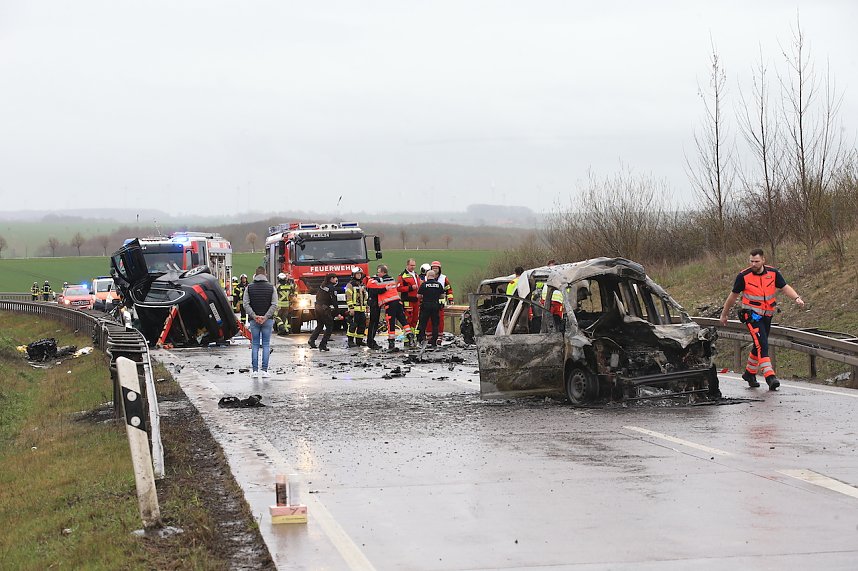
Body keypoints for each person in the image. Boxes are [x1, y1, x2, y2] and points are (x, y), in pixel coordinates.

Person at [719, 248, 805, 390]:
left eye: (757, 261)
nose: (753, 264)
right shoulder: (743, 276)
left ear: (763, 260)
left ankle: (749, 373)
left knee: (758, 344)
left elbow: (784, 287)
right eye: (751, 261)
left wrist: (796, 298)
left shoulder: (773, 273)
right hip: (751, 316)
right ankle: (770, 377)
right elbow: (733, 296)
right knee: (763, 345)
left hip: (767, 315)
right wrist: (724, 314)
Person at [367, 264, 414, 352]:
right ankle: (410, 335)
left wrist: (371, 279)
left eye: (378, 272)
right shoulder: (391, 279)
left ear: (383, 272)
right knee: (403, 320)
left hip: (390, 304)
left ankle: (391, 343)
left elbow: (372, 286)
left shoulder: (381, 281)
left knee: (390, 323)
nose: (377, 274)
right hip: (398, 302)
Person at [243, 266, 277, 378]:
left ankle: (254, 371)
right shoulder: (271, 288)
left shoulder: (249, 287)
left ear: (255, 274)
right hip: (267, 321)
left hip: (254, 320)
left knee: (255, 344)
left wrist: (254, 316)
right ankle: (265, 370)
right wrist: (266, 317)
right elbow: (274, 304)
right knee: (266, 344)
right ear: (265, 274)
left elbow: (245, 304)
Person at [423, 261, 454, 345]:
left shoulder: (444, 278)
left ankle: (439, 337)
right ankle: (429, 337)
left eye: (436, 268)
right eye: (433, 268)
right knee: (429, 320)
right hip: (428, 303)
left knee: (439, 320)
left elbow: (449, 290)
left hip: (440, 304)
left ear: (439, 269)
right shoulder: (426, 278)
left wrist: (450, 299)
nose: (435, 270)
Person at [308, 273, 338, 351]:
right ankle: (323, 344)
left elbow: (317, 296)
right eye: (335, 278)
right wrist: (337, 311)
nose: (336, 280)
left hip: (317, 307)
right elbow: (334, 301)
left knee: (320, 325)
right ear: (331, 279)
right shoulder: (331, 288)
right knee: (329, 327)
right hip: (324, 309)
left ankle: (312, 340)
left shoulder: (322, 286)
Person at [417, 269, 445, 349]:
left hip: (425, 305)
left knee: (423, 323)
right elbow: (442, 296)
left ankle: (422, 340)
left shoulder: (424, 285)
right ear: (434, 276)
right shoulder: (438, 285)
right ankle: (434, 342)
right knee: (435, 324)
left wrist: (424, 296)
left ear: (427, 276)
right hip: (435, 305)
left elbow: (418, 296)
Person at [398, 259, 421, 346]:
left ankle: (413, 337)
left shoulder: (416, 275)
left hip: (416, 300)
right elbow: (399, 288)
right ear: (407, 265)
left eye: (414, 265)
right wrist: (410, 288)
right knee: (408, 319)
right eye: (411, 265)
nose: (413, 267)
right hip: (408, 300)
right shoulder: (402, 275)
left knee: (415, 319)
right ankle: (406, 338)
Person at [345, 267, 368, 348]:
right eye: (357, 274)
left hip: (362, 309)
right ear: (353, 275)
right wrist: (351, 308)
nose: (358, 275)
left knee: (362, 325)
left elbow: (365, 297)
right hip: (354, 309)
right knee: (352, 325)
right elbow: (348, 297)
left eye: (360, 274)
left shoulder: (362, 285)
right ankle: (350, 341)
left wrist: (366, 306)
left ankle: (359, 341)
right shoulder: (350, 285)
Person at [366, 265, 385, 350]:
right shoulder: (374, 280)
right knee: (373, 323)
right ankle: (370, 342)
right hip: (374, 303)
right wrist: (385, 289)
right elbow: (375, 291)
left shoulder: (375, 280)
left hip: (375, 303)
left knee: (374, 323)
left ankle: (371, 341)